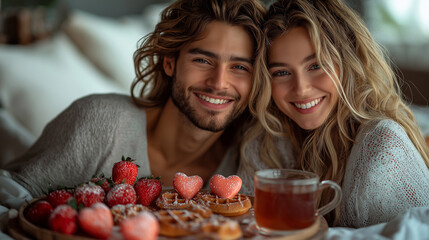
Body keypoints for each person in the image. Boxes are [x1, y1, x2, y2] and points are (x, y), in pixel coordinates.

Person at [0, 0, 267, 201]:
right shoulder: (101, 121)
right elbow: (10, 197)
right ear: (170, 63)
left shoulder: (252, 158)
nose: (219, 82)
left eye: (239, 67)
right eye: (202, 60)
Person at [237, 0, 429, 228]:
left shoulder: (383, 145)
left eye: (316, 65)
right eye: (282, 72)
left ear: (350, 61)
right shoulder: (267, 142)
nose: (301, 88)